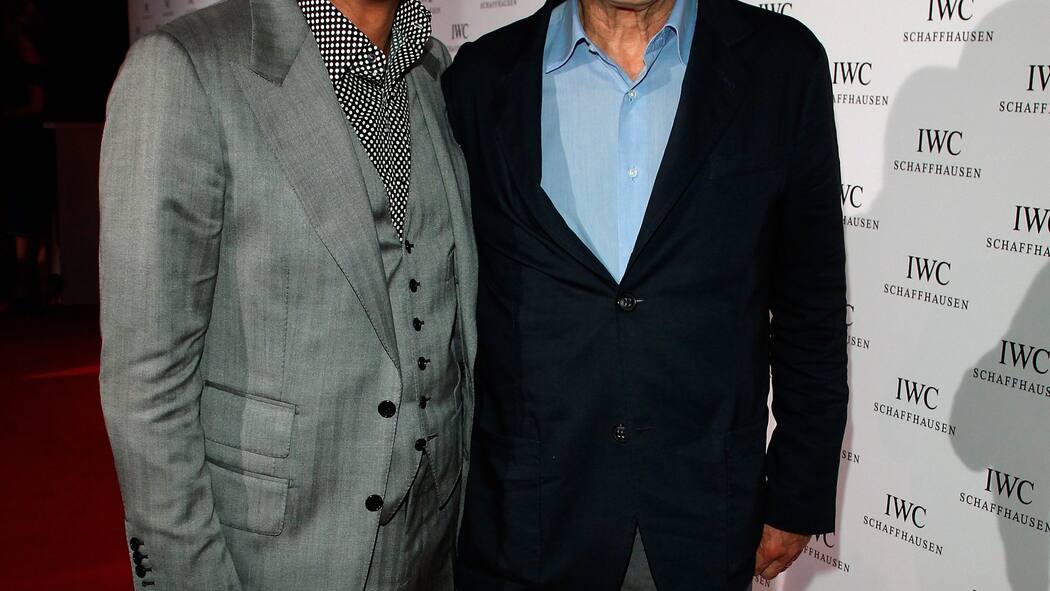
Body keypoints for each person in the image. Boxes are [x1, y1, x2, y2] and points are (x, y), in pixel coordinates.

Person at [442, 0, 848, 588]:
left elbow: (810, 303)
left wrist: (797, 492)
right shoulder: (480, 76)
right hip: (526, 515)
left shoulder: (780, 64)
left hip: (701, 511)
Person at [99, 0, 476, 588]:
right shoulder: (184, 68)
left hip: (435, 540)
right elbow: (147, 385)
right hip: (278, 552)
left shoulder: (431, 66)